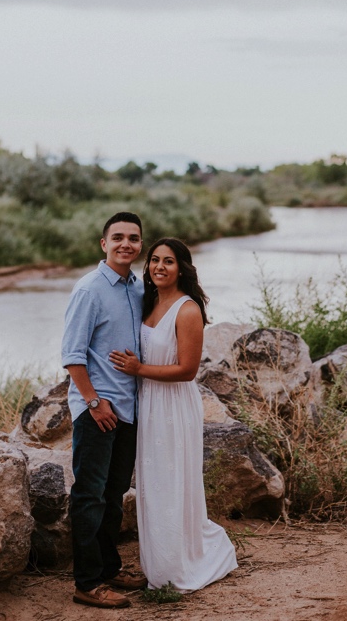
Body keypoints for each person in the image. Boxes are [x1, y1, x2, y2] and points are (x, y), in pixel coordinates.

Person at [108, 238, 238, 593]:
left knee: (172, 483)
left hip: (173, 406)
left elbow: (187, 370)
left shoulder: (187, 310)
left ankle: (177, 566)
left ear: (182, 267)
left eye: (168, 261)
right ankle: (160, 563)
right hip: (147, 403)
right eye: (154, 260)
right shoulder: (147, 301)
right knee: (153, 485)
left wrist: (138, 368)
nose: (159, 267)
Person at [62, 212, 148, 609]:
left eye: (133, 237)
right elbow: (72, 356)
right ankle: (88, 583)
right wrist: (94, 402)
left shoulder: (136, 288)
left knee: (113, 495)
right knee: (90, 495)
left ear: (140, 244)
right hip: (98, 409)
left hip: (127, 410)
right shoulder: (89, 290)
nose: (125, 244)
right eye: (118, 237)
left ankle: (109, 569)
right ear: (103, 243)